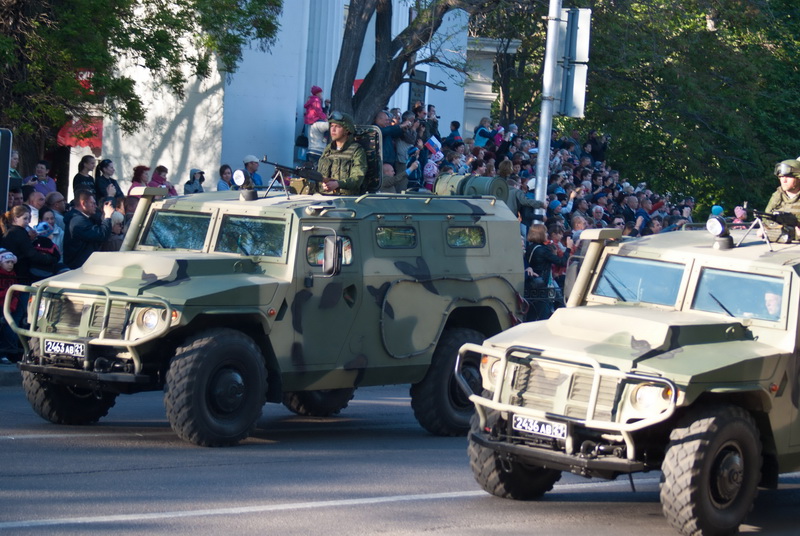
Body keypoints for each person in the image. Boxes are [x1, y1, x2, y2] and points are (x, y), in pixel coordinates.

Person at [524, 224, 572, 321]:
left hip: (533, 285)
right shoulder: (543, 250)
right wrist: (568, 248)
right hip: (543, 286)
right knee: (543, 316)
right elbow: (562, 262)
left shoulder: (530, 247)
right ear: (541, 234)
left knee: (532, 315)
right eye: (545, 232)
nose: (547, 234)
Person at [0, 205, 58, 284]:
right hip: (20, 274)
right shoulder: (19, 233)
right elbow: (31, 254)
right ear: (15, 219)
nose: (28, 221)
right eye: (25, 218)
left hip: (13, 273)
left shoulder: (10, 231)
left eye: (28, 218)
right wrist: (50, 259)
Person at [317, 111, 367, 195]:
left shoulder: (356, 150)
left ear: (347, 130)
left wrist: (338, 184)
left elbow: (357, 179)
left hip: (346, 200)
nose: (333, 129)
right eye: (332, 126)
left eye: (337, 126)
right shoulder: (328, 149)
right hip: (324, 197)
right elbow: (320, 174)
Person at [63, 190, 115, 269]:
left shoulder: (83, 218)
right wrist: (107, 216)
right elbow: (101, 235)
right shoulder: (78, 221)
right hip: (78, 268)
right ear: (83, 204)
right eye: (93, 203)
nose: (95, 206)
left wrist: (104, 216)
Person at [0, 248, 21, 363]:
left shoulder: (13, 275)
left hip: (8, 307)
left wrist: (12, 305)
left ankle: (9, 353)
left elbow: (16, 292)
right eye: (7, 262)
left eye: (12, 262)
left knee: (9, 330)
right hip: (1, 306)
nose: (10, 265)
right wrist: (8, 292)